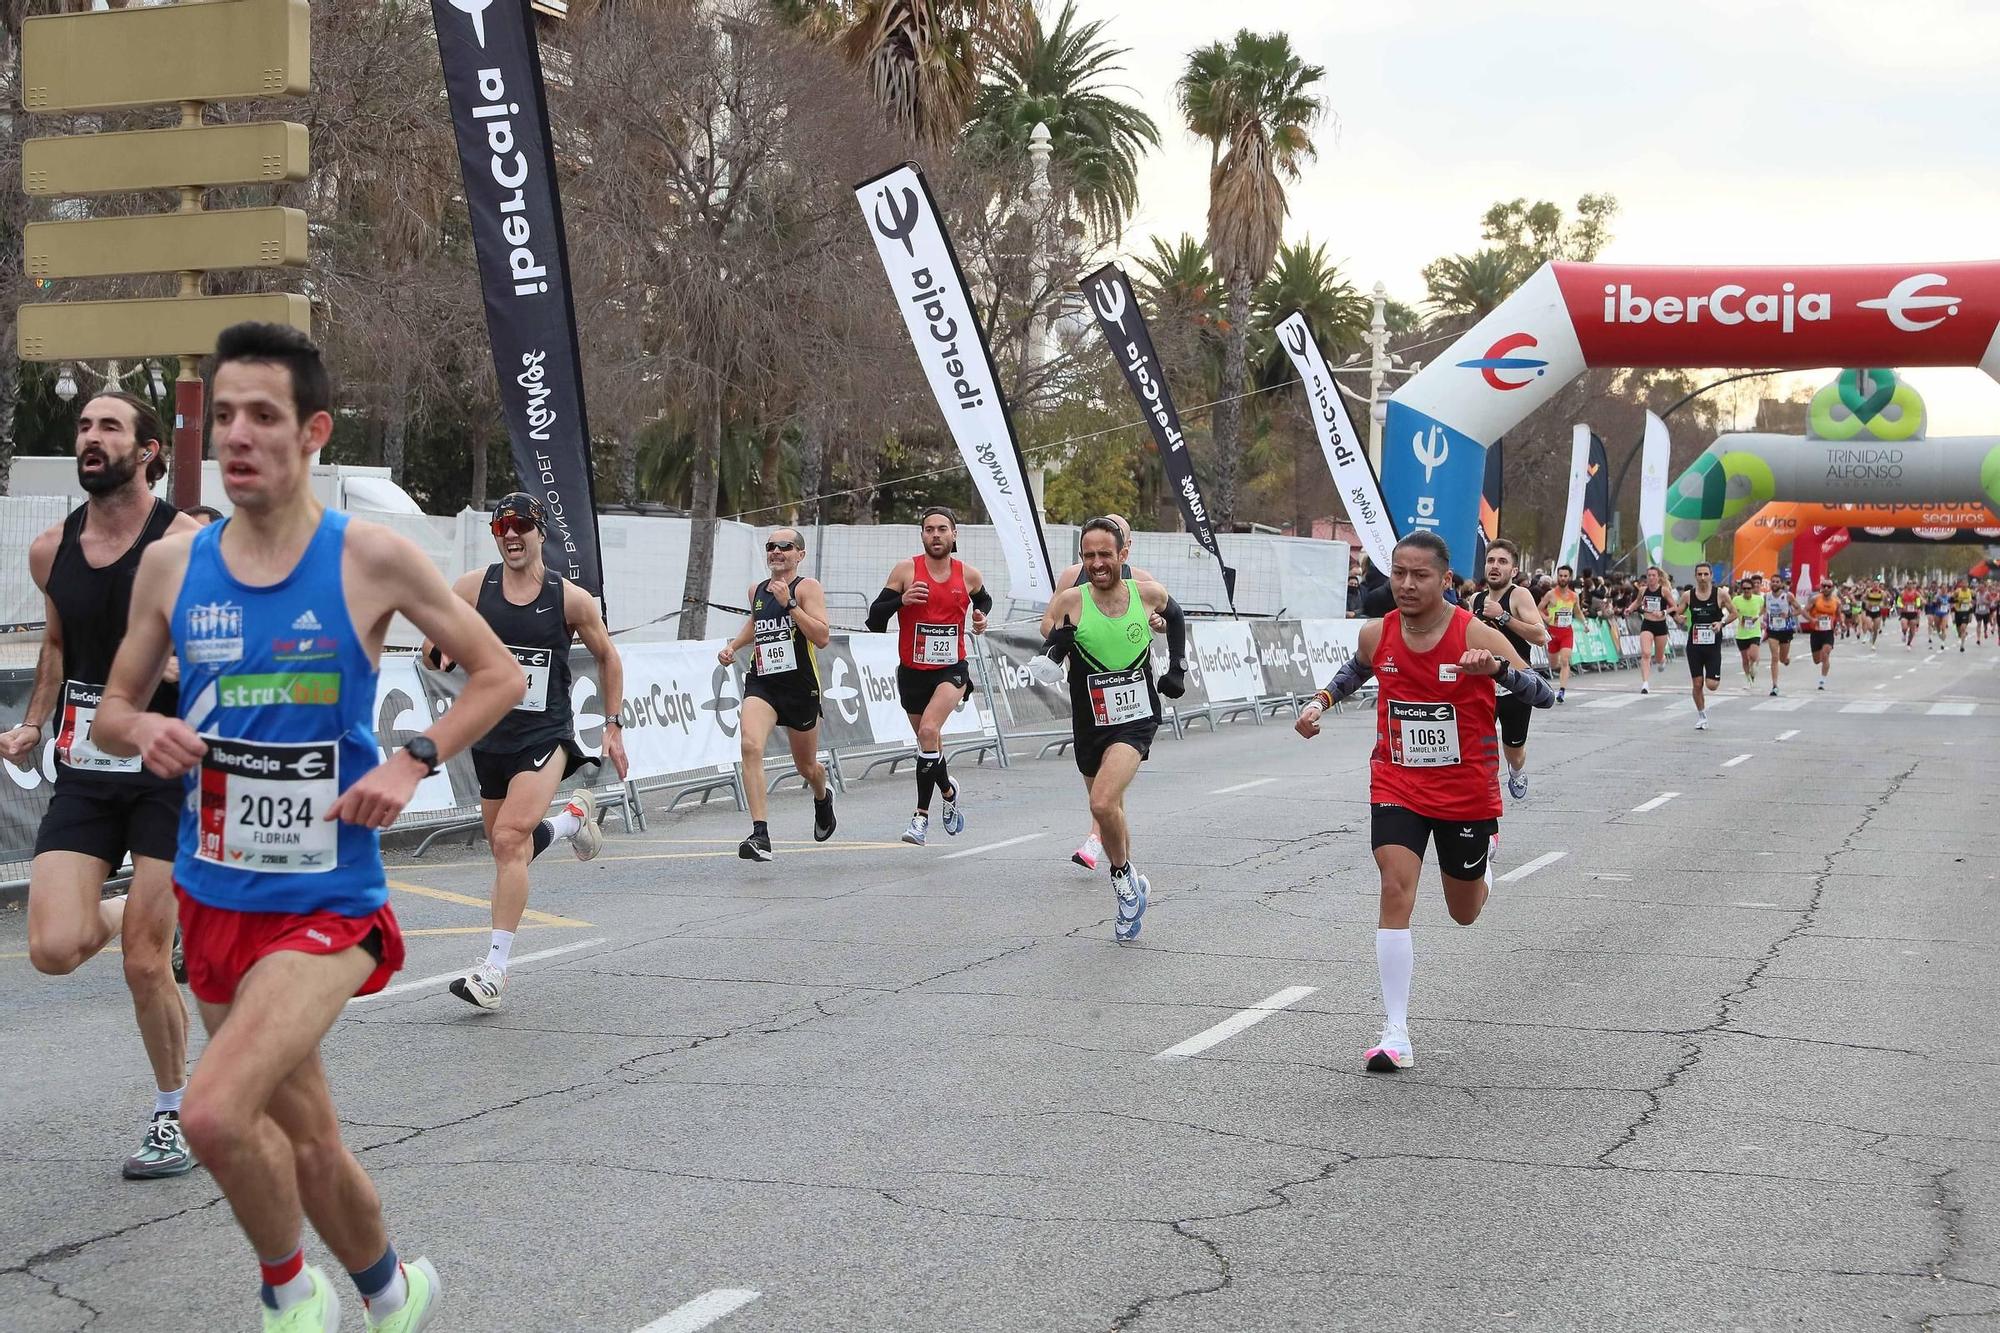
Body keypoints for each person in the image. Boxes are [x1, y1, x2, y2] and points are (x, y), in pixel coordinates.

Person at [95, 322, 524, 1332]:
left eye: (264, 416)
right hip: (214, 897)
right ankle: (393, 1294)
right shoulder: (172, 567)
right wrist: (147, 726)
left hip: (326, 906)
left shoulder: (369, 557)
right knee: (315, 1141)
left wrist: (410, 757)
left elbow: (497, 673)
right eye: (225, 416)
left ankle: (291, 1298)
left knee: (209, 1111)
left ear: (313, 431)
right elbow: (113, 708)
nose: (238, 436)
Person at [0, 392, 202, 1180]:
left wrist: (179, 668)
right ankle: (128, 908)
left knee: (147, 962)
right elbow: (57, 640)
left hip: (165, 767)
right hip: (85, 765)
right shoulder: (51, 550)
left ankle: (172, 1114)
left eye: (109, 427)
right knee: (52, 946)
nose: (91, 437)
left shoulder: (187, 542)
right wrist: (32, 719)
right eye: (84, 426)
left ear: (148, 450)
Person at [1292, 531, 1551, 1072]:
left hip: (1465, 789)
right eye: (1398, 574)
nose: (1406, 585)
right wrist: (1320, 702)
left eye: (1420, 575)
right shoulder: (1377, 632)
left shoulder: (1473, 631)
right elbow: (1356, 671)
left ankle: (1485, 862)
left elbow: (1544, 693)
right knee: (1394, 886)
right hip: (1397, 781)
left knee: (1464, 912)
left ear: (1446, 580)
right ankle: (1395, 1031)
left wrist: (1498, 671)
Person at [426, 491, 626, 1010]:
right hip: (492, 735)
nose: (510, 535)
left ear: (540, 532)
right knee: (503, 843)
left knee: (510, 839)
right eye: (501, 528)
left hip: (545, 735)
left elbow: (608, 658)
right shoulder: (473, 588)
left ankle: (493, 969)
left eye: (520, 525)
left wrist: (612, 724)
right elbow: (432, 645)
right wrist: (440, 648)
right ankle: (571, 822)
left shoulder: (570, 599)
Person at [1026, 518, 1184, 939]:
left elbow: (1175, 613)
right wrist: (1059, 644)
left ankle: (1121, 880)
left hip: (1136, 717)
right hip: (1089, 718)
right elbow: (1050, 636)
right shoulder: (1070, 599)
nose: (1097, 563)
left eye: (1105, 555)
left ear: (1123, 554)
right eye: (1089, 555)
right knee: (1110, 806)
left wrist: (1176, 668)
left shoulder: (1145, 591)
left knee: (1100, 804)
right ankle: (1133, 882)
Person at [864, 506, 989, 846]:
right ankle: (949, 792)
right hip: (912, 671)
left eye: (942, 529)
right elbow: (875, 620)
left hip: (952, 669)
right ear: (922, 535)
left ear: (954, 534)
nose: (936, 535)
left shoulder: (968, 574)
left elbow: (984, 600)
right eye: (929, 529)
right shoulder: (906, 570)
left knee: (930, 730)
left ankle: (920, 817)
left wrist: (979, 617)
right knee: (928, 742)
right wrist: (901, 601)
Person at [718, 526, 836, 861]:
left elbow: (822, 636)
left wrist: (791, 606)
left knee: (807, 766)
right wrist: (733, 646)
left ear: (800, 554)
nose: (776, 551)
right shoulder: (756, 589)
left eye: (785, 546)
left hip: (799, 687)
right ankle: (760, 835)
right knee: (750, 745)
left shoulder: (807, 588)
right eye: (771, 546)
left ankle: (821, 795)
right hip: (764, 682)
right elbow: (756, 622)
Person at [1468, 539, 1548, 801]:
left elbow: (1540, 636)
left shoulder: (1518, 595)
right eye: (1491, 561)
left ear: (1513, 570)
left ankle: (1516, 770)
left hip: (1515, 685)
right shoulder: (1475, 599)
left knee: (1513, 750)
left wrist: (1503, 617)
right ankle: (1481, 800)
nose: (1495, 566)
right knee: (1477, 749)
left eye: (1502, 562)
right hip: (1483, 686)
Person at [1679, 563, 1736, 730]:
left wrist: (1721, 623)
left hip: (1713, 645)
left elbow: (1734, 613)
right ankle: (1702, 715)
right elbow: (1678, 612)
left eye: (1705, 574)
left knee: (1711, 685)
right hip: (1694, 645)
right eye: (1699, 574)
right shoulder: (1688, 596)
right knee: (1697, 684)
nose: (1703, 578)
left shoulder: (1721, 594)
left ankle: (1713, 677)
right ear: (1695, 576)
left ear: (1711, 575)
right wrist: (1679, 618)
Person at [1538, 565, 1580, 703]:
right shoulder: (1551, 594)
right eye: (1560, 575)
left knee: (1565, 660)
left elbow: (1578, 611)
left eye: (1565, 576)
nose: (1562, 578)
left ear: (1570, 577)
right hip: (1553, 632)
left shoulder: (1574, 596)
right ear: (1557, 576)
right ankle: (1557, 680)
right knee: (1553, 663)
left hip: (1567, 631)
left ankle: (1562, 690)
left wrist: (1584, 623)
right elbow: (1539, 609)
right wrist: (1545, 618)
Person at [1632, 566, 1675, 695]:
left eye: (1653, 575)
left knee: (1658, 656)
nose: (1651, 578)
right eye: (1649, 575)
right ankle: (1645, 684)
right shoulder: (1643, 590)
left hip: (1660, 626)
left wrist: (1663, 612)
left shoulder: (1664, 591)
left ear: (1658, 577)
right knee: (1645, 653)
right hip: (1647, 624)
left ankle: (1662, 660)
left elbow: (1674, 607)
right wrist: (1630, 608)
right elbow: (1637, 602)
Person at [1804, 580, 1842, 690]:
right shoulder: (1815, 599)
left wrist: (1840, 625)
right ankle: (1823, 661)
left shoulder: (1837, 601)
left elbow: (1839, 615)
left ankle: (1822, 680)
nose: (1826, 588)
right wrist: (1812, 619)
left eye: (1828, 586)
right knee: (1817, 660)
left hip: (1828, 632)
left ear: (1832, 588)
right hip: (1816, 632)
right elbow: (1804, 611)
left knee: (1825, 654)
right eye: (1824, 586)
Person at [1762, 576, 1796, 696]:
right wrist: (1759, 618)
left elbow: (1799, 610)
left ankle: (1786, 659)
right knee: (1775, 657)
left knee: (1782, 658)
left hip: (1786, 630)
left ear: (1781, 584)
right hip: (1773, 630)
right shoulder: (1767, 596)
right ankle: (1775, 685)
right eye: (1773, 582)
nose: (1775, 584)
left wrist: (1789, 615)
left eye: (1777, 582)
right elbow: (1763, 610)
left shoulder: (1788, 596)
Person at [1732, 573, 1765, 686]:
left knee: (1753, 655)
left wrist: (1758, 617)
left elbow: (1764, 609)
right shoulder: (1736, 600)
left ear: (1752, 588)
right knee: (1745, 658)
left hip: (1754, 632)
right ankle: (1748, 678)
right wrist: (1737, 617)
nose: (1746, 590)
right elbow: (1732, 612)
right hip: (1741, 633)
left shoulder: (1758, 599)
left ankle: (1753, 666)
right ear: (1741, 589)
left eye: (1749, 588)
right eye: (1744, 588)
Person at [1897, 580, 1923, 649]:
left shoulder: (1916, 593)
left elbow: (1918, 602)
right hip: (1905, 613)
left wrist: (1916, 606)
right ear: (1906, 585)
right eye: (1908, 584)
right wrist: (1902, 606)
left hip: (1913, 613)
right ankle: (1904, 634)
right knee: (1904, 626)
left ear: (1913, 585)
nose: (1910, 585)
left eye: (1911, 584)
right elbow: (1898, 601)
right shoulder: (1902, 593)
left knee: (1912, 630)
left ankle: (1909, 643)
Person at [1862, 580, 1888, 648]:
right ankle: (1871, 633)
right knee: (1869, 625)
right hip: (1869, 611)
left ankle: (1873, 643)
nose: (1875, 586)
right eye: (1874, 584)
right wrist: (1867, 602)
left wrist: (1883, 604)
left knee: (1876, 629)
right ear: (1872, 585)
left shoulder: (1881, 592)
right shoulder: (1868, 591)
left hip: (1877, 611)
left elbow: (1885, 601)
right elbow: (1863, 598)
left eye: (1877, 585)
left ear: (1879, 586)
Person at [1951, 577, 1974, 652]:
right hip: (1958, 611)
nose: (1964, 585)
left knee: (1963, 628)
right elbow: (1951, 599)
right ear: (1961, 584)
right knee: (1959, 631)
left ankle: (1962, 646)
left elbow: (1973, 600)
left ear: (1967, 584)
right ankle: (1961, 635)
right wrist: (1958, 600)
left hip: (1966, 611)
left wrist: (1971, 609)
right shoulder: (1958, 591)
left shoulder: (1970, 591)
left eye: (1966, 583)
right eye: (1963, 583)